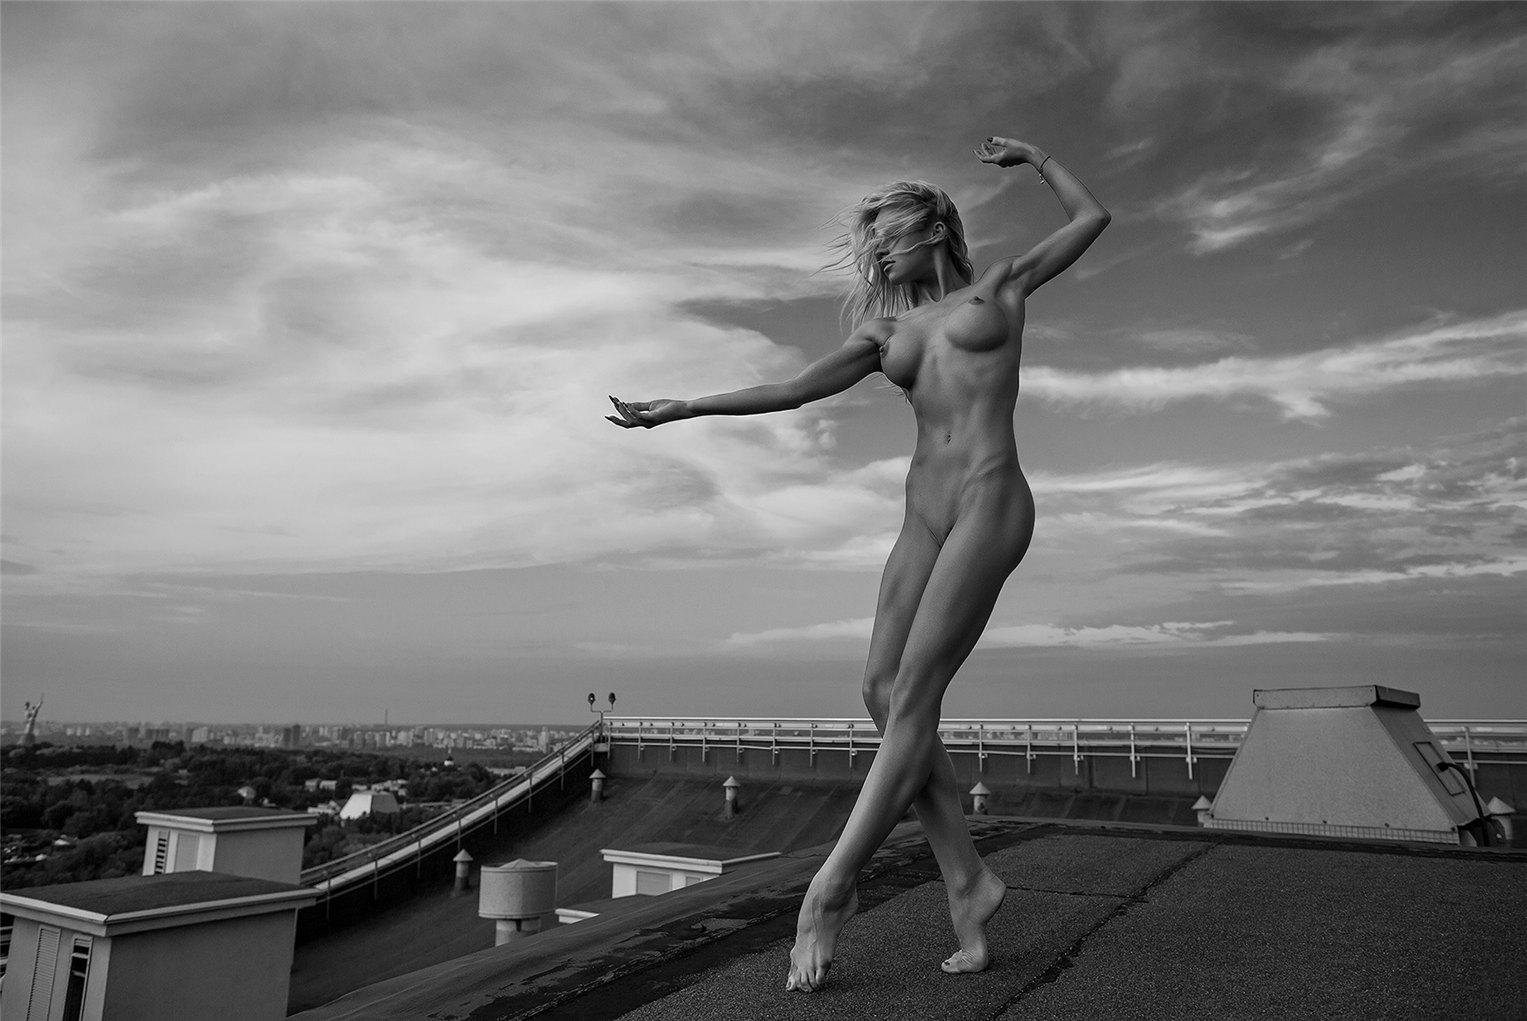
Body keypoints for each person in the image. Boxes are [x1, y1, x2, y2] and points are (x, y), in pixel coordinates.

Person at [607, 135, 1110, 993]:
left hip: (989, 498)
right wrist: (681, 406)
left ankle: (829, 888)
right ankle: (967, 879)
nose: (877, 253)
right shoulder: (884, 332)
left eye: (888, 236)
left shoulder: (999, 286)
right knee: (879, 688)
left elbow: (1092, 217)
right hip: (921, 512)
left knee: (913, 692)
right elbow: (793, 389)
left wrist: (1036, 157)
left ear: (933, 229)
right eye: (870, 241)